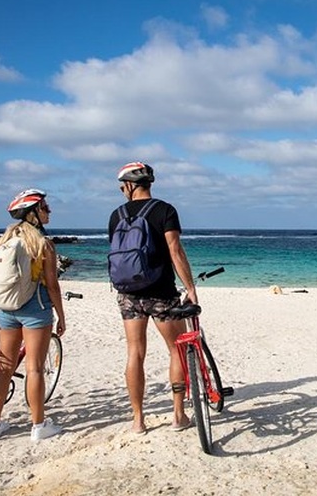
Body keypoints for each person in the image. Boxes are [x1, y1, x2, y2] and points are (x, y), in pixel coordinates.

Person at [109, 162, 198, 434]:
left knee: (135, 353)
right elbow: (175, 250)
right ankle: (178, 416)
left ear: (128, 185)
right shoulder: (165, 210)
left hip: (128, 293)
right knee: (176, 349)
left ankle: (138, 420)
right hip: (160, 291)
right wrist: (190, 286)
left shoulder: (117, 214)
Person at [0, 188, 66, 441]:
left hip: (5, 309)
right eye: (44, 208)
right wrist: (61, 316)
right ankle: (39, 426)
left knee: (4, 366)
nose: (49, 211)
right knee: (34, 368)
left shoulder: (4, 240)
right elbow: (52, 284)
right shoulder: (42, 244)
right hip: (35, 310)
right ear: (33, 214)